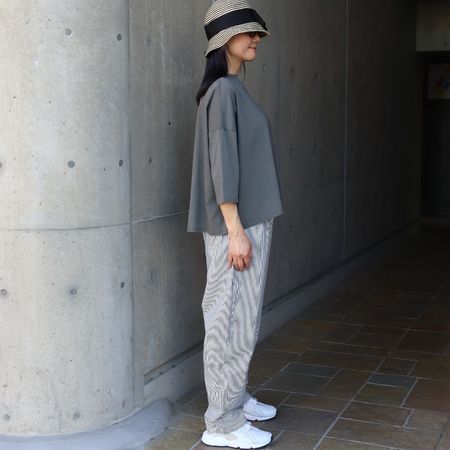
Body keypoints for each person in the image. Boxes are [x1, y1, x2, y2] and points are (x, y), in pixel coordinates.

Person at [187, 0, 283, 448]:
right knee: (228, 321)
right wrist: (236, 230)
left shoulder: (230, 88)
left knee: (241, 317)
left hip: (247, 221)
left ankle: (235, 397)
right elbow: (222, 162)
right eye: (248, 32)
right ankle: (222, 422)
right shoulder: (224, 91)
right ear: (225, 39)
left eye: (257, 32)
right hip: (237, 225)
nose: (256, 38)